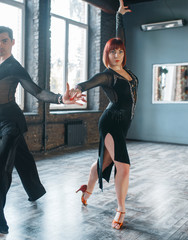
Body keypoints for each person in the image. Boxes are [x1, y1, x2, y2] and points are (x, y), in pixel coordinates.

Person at [0, 26, 83, 234]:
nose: (0, 45)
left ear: (12, 42)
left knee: (0, 166)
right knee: (23, 158)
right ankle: (36, 190)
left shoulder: (14, 67)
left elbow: (37, 91)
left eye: (4, 41)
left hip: (11, 122)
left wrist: (60, 99)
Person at [73, 0, 138, 230]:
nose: (117, 54)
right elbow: (89, 82)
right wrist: (77, 89)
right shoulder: (108, 75)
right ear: (107, 55)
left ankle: (87, 190)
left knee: (103, 162)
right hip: (111, 123)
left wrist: (119, 16)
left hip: (123, 124)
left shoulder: (126, 71)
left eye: (120, 51)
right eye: (113, 52)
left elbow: (121, 37)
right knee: (124, 166)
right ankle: (120, 209)